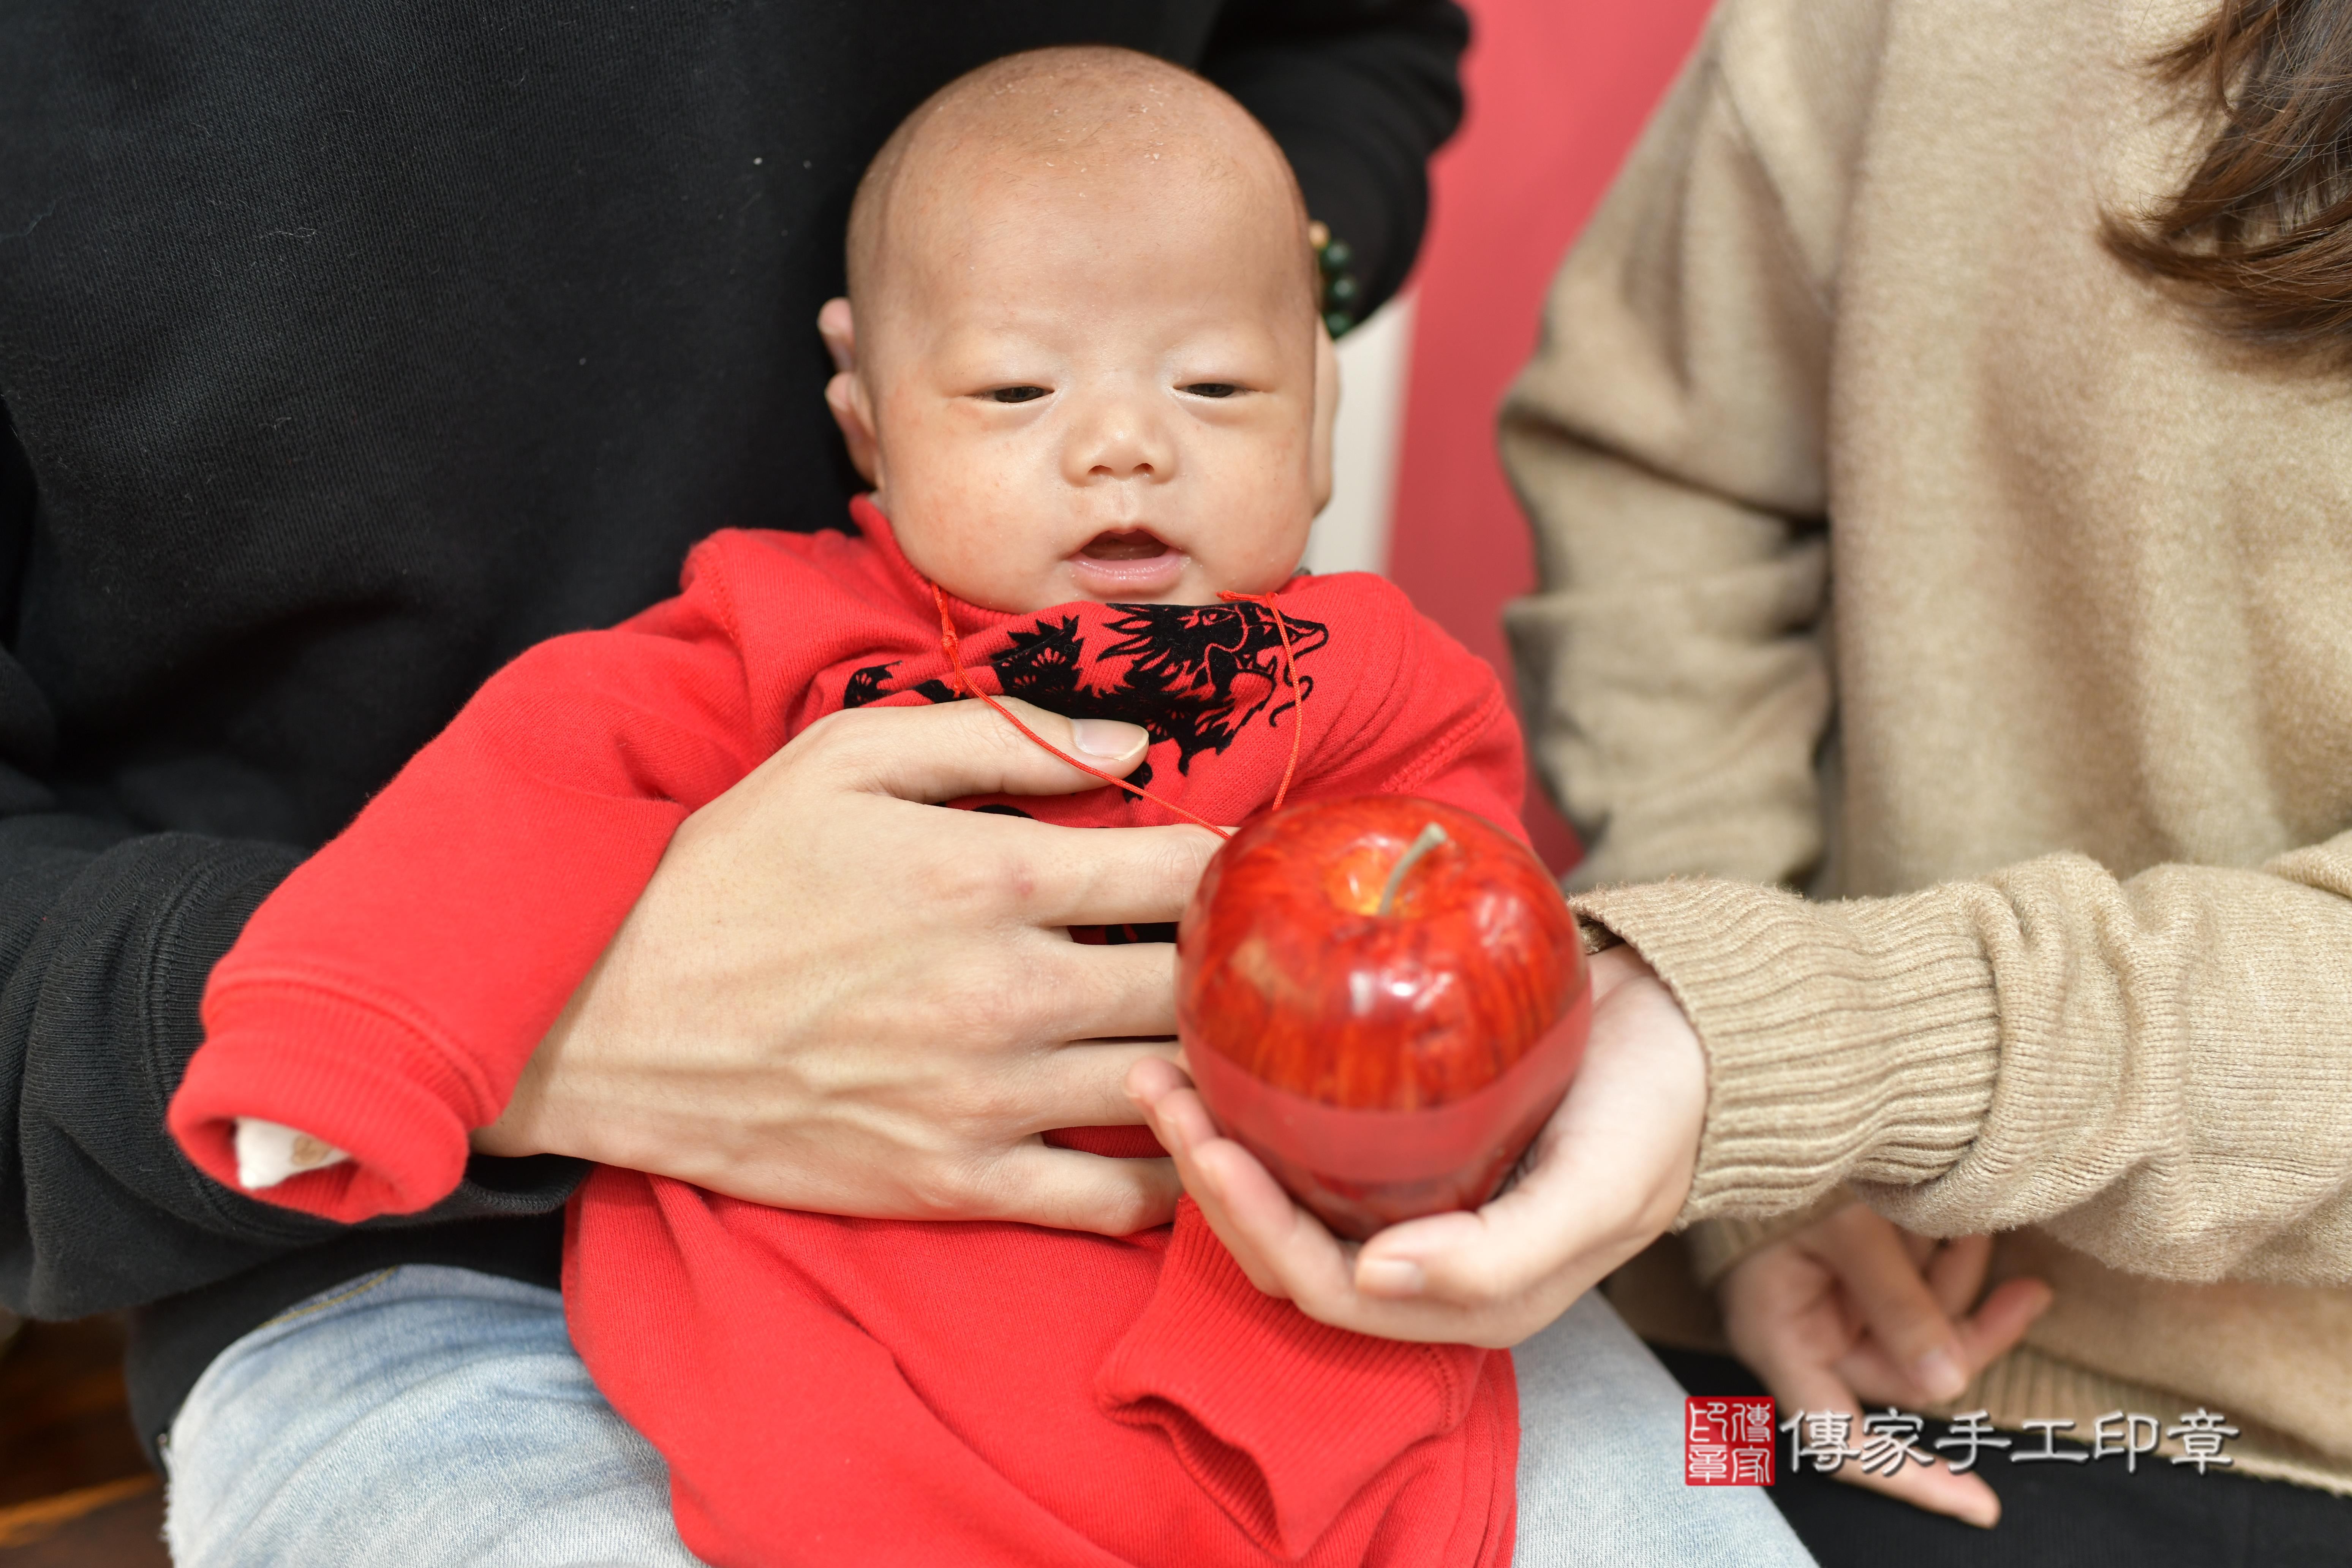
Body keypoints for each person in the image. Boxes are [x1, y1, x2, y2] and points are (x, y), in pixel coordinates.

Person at [1, 7, 1815, 1566]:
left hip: (1280, 1300)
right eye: (1021, 387)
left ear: (1321, 416)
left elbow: (1473, 881)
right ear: (870, 421)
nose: (1126, 439)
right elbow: (512, 809)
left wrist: (1449, 1091)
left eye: (1215, 378)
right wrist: (343, 1054)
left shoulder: (1356, 671)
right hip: (804, 1323)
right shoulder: (774, 633)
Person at [1130, 0, 2352, 1562]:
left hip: (2252, 1439)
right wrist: (1765, 1158)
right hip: (1713, 1267)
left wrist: (1791, 1060)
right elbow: (1669, 474)